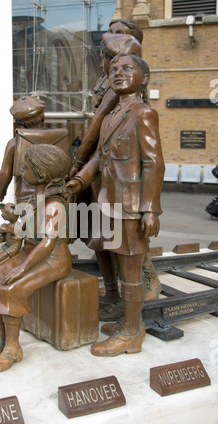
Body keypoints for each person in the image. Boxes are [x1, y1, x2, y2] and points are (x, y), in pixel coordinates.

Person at [66, 54, 165, 357]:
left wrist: (149, 209)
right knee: (121, 267)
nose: (118, 73)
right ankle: (128, 321)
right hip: (109, 204)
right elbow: (99, 158)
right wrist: (80, 181)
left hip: (131, 207)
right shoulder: (110, 116)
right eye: (113, 70)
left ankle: (131, 333)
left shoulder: (144, 114)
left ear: (144, 77)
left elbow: (153, 163)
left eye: (126, 69)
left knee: (132, 271)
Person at [0, 144, 72, 373]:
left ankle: (13, 347)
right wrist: (7, 231)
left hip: (53, 259)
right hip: (31, 254)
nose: (21, 170)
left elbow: (48, 244)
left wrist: (21, 269)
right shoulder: (37, 197)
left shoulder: (54, 204)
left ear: (40, 174)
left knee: (12, 289)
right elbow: (23, 228)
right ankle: (2, 338)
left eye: (26, 166)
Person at [0, 95, 70, 206]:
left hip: (26, 197)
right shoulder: (60, 137)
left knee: (29, 223)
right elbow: (68, 166)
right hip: (55, 194)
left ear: (18, 122)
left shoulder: (14, 143)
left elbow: (5, 174)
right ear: (43, 117)